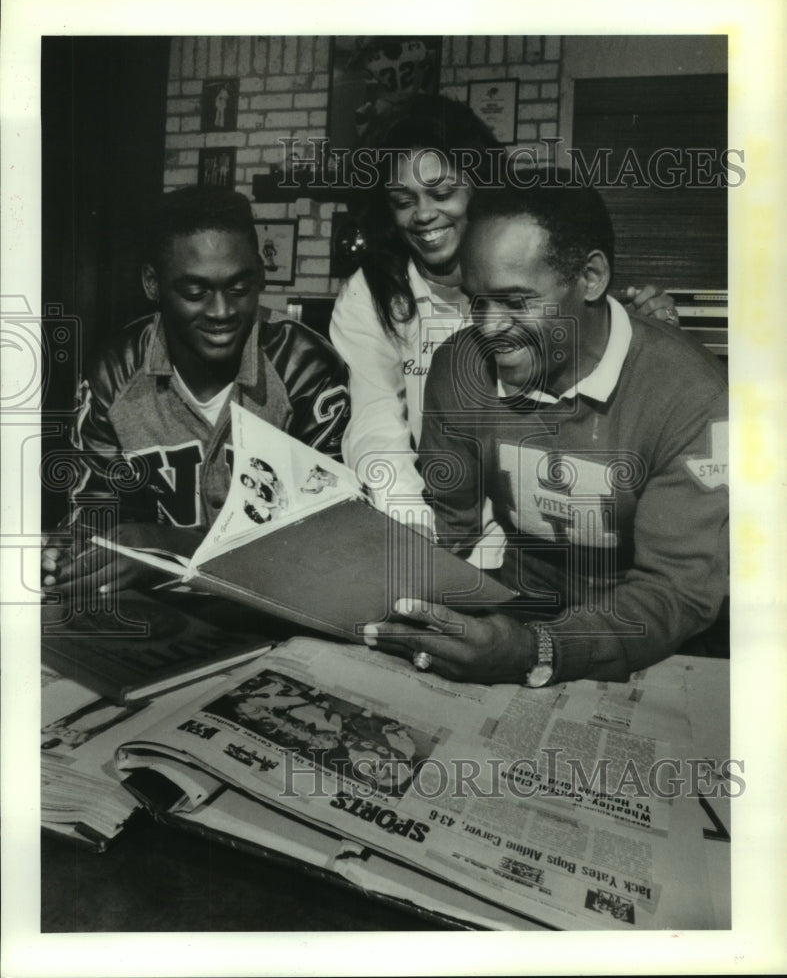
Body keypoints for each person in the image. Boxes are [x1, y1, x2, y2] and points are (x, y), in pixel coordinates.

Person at [363, 173, 728, 685]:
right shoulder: (458, 367)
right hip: (520, 607)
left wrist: (537, 650)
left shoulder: (693, 395)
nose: (490, 328)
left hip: (648, 640)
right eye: (477, 302)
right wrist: (369, 573)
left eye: (516, 302)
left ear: (591, 277)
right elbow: (450, 522)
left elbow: (675, 591)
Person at [330, 94, 679, 542]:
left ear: (480, 187)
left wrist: (649, 332)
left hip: (537, 527)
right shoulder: (371, 294)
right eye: (403, 200)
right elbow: (375, 424)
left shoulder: (539, 266)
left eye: (443, 193)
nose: (424, 214)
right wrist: (414, 524)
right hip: (437, 519)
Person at [42, 186, 350, 595]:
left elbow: (332, 542)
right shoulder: (113, 372)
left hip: (275, 611)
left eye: (239, 288)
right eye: (194, 292)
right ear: (152, 283)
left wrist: (166, 544)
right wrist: (72, 550)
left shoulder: (306, 367)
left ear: (260, 274)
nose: (222, 311)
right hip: (155, 613)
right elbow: (96, 511)